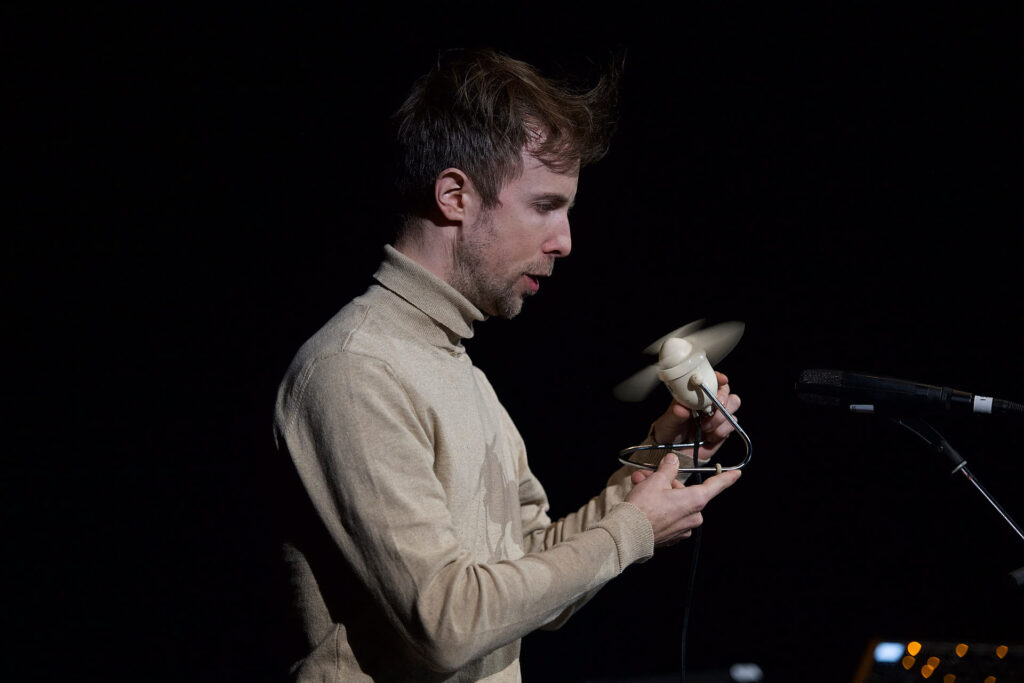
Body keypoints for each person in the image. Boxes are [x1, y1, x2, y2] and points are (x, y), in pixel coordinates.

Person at [272, 47, 743, 681]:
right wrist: (630, 530)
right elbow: (447, 624)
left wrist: (662, 459)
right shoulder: (355, 370)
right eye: (546, 205)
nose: (566, 240)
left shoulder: (461, 373)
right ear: (455, 196)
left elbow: (524, 585)